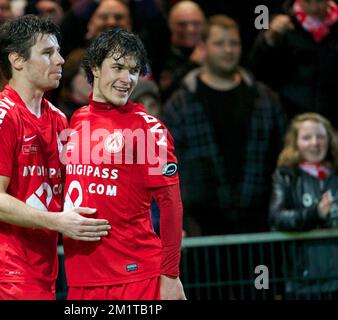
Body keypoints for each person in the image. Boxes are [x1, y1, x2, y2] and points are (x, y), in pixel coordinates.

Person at [0, 15, 110, 300]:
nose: (59, 60)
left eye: (57, 51)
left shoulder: (58, 118)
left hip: (43, 269)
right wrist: (58, 221)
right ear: (17, 61)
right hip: (6, 270)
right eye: (47, 53)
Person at [62, 28, 186, 300]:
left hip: (136, 277)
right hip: (81, 278)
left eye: (133, 70)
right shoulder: (76, 121)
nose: (126, 79)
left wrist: (170, 276)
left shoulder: (148, 130)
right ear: (95, 67)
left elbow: (171, 206)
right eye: (117, 67)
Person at [162, 15, 287, 236]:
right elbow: (168, 164)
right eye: (219, 43)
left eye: (234, 43)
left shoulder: (265, 98)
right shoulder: (181, 103)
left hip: (260, 220)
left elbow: (282, 155)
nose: (228, 50)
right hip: (202, 224)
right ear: (203, 46)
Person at [269, 112, 338, 299]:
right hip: (303, 282)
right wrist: (315, 213)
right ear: (295, 143)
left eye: (321, 136)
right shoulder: (286, 177)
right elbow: (277, 217)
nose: (315, 143)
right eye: (307, 137)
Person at [248, 0, 338, 128]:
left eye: (320, 1)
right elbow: (256, 70)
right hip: (290, 118)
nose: (315, 8)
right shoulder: (280, 22)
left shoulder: (335, 27)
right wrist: (270, 40)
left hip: (332, 121)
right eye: (308, 2)